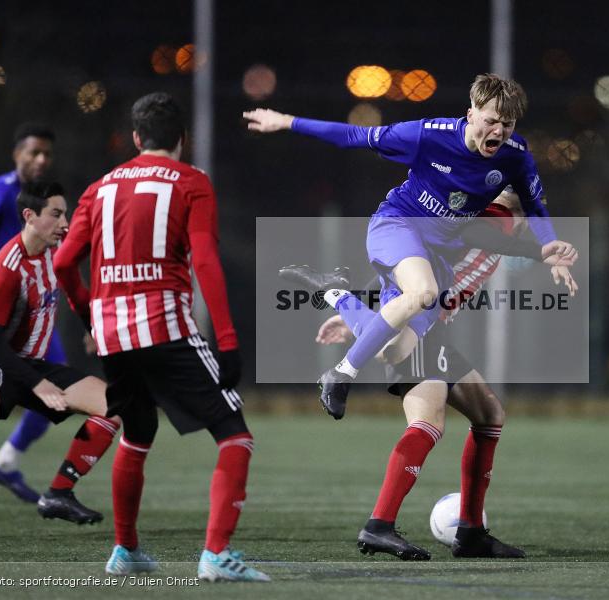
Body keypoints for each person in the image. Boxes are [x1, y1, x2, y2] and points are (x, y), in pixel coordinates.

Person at [244, 73, 576, 420]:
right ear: (471, 113)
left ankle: (335, 292)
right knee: (424, 291)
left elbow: (534, 205)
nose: (498, 131)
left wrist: (550, 246)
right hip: (397, 225)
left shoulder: (515, 155)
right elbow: (354, 136)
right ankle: (340, 374)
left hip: (437, 255)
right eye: (491, 121)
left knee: (393, 351)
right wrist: (287, 121)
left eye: (506, 124)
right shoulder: (427, 135)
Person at [54, 92, 269, 582]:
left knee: (136, 432)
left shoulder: (100, 187)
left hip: (112, 332)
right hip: (163, 325)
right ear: (182, 140)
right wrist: (228, 340)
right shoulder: (192, 182)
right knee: (236, 435)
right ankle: (216, 554)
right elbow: (206, 263)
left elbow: (65, 261)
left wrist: (88, 313)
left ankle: (126, 550)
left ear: (135, 138)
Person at [298, 189, 577, 559]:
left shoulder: (505, 221)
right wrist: (541, 252)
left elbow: (406, 265)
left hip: (433, 327)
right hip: (422, 323)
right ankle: (380, 525)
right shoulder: (497, 216)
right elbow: (474, 237)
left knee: (489, 414)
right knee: (423, 411)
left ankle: (471, 532)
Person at [0, 181, 119, 525]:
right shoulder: (8, 267)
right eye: (56, 214)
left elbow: (76, 292)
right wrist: (38, 385)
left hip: (32, 364)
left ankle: (58, 494)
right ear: (30, 216)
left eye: (65, 214)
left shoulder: (58, 252)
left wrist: (93, 328)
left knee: (114, 405)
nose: (64, 223)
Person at [0, 123, 70, 503]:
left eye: (46, 153)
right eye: (34, 152)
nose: (41, 159)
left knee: (55, 390)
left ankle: (5, 461)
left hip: (32, 312)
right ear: (17, 154)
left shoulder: (48, 199)